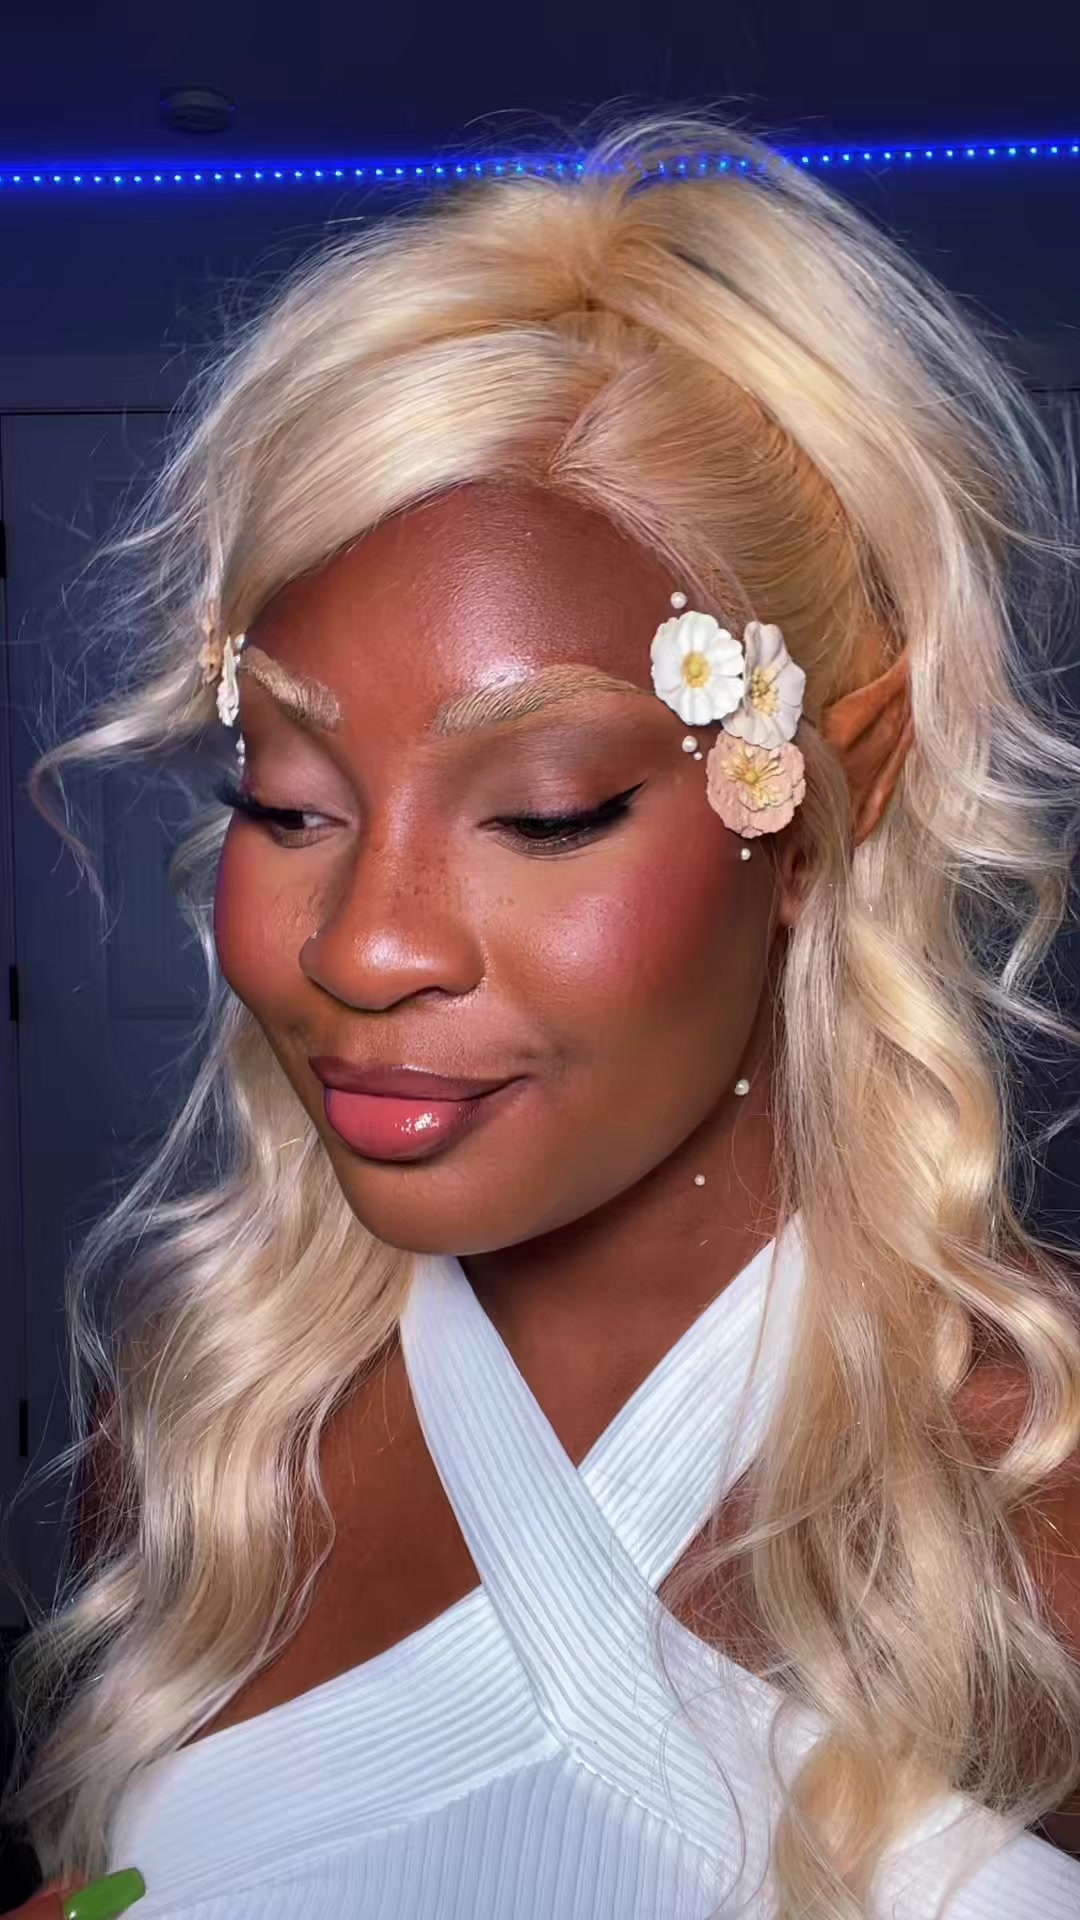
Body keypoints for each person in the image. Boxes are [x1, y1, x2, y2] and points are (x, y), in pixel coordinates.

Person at [3, 110, 1080, 1920]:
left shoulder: (1043, 1505)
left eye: (548, 814)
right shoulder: (214, 1438)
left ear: (827, 800)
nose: (364, 947)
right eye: (288, 804)